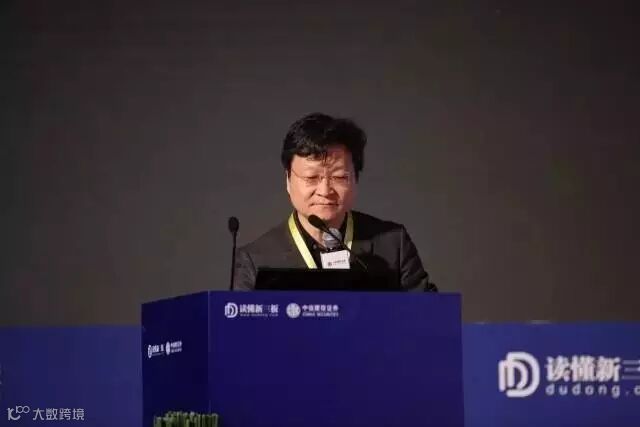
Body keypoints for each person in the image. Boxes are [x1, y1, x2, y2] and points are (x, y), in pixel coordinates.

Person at [232, 112, 437, 292]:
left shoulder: (393, 244)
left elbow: (430, 314)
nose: (325, 191)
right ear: (288, 180)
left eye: (338, 177)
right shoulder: (255, 260)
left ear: (355, 179)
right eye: (311, 178)